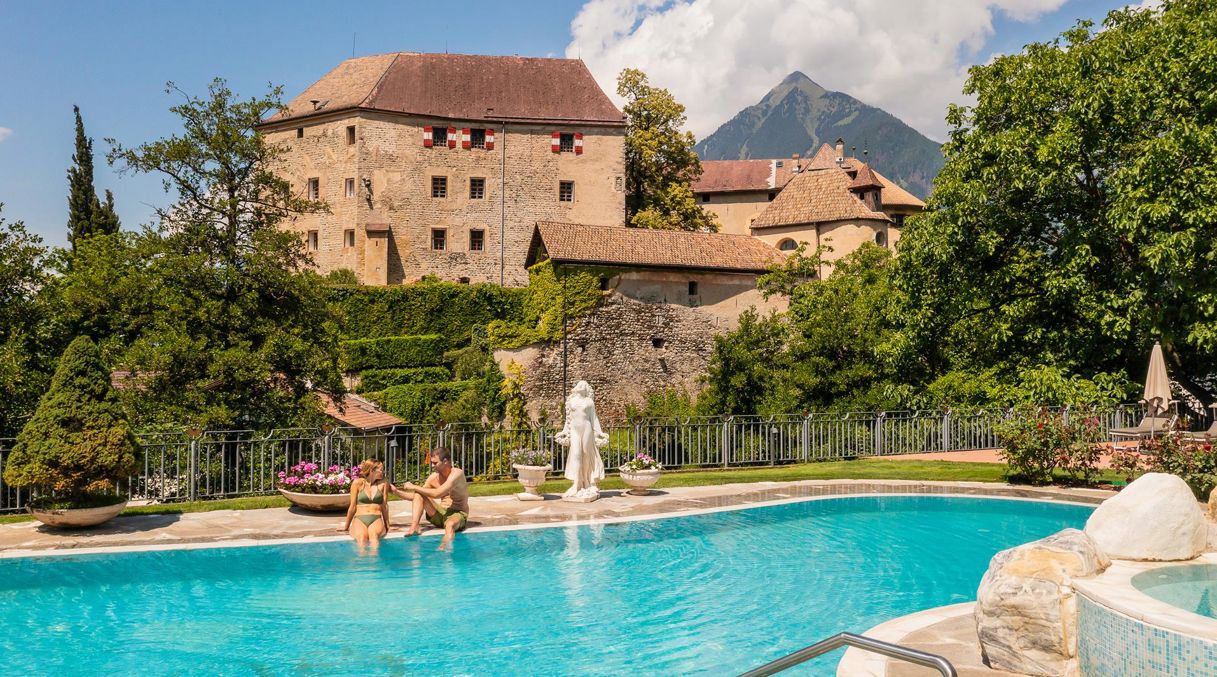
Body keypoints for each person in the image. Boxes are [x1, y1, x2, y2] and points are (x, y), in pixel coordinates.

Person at [390, 447, 469, 550]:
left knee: (449, 525)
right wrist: (396, 491)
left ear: (445, 461)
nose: (432, 466)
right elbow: (417, 498)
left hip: (458, 514)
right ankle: (415, 527)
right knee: (419, 493)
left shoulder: (457, 474)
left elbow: (437, 493)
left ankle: (444, 548)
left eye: (435, 463)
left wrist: (413, 486)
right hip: (440, 514)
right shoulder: (433, 478)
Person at [337, 459, 390, 552]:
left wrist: (388, 525)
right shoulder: (358, 483)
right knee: (362, 538)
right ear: (372, 470)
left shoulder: (383, 484)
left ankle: (375, 564)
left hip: (376, 517)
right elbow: (352, 507)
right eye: (381, 469)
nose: (383, 472)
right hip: (359, 518)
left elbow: (384, 506)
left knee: (374, 537)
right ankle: (363, 565)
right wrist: (346, 526)